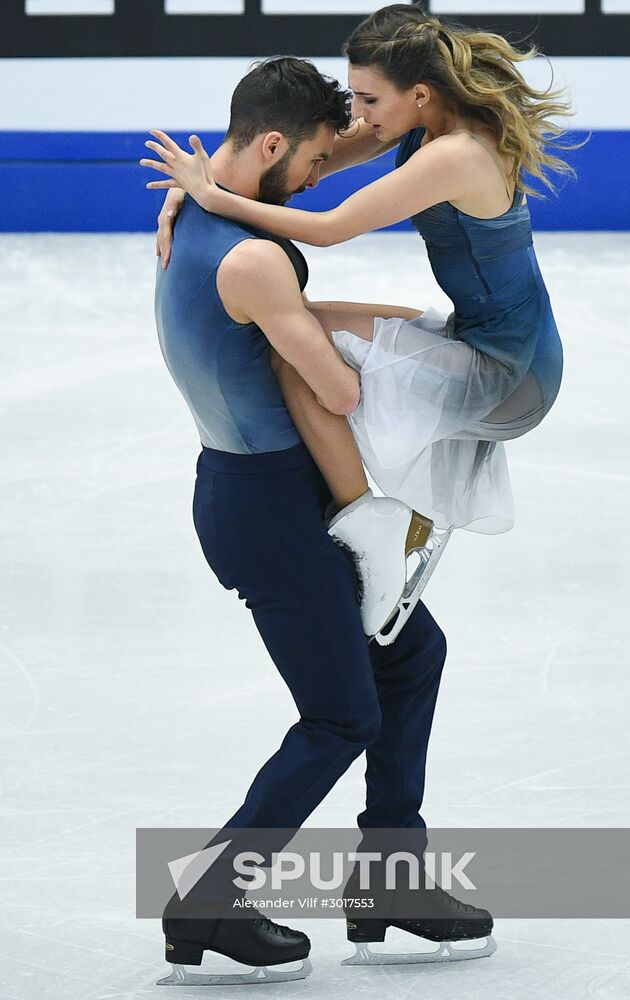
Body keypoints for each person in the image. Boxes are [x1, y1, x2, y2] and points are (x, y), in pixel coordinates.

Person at [150, 56, 494, 987]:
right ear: (268, 143)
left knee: (411, 655)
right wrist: (407, 349)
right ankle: (210, 898)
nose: (313, 179)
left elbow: (308, 176)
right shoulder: (252, 253)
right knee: (341, 712)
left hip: (265, 493)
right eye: (305, 164)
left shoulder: (202, 211)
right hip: (266, 512)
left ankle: (391, 881)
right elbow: (335, 390)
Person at [143, 3, 573, 565]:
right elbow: (298, 154)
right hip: (486, 336)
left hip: (513, 372)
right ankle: (376, 522)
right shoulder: (422, 123)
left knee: (296, 354)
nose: (359, 113)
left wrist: (212, 198)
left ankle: (373, 534)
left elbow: (330, 229)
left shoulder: (457, 154)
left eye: (368, 100)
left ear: (418, 94)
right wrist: (205, 184)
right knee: (305, 324)